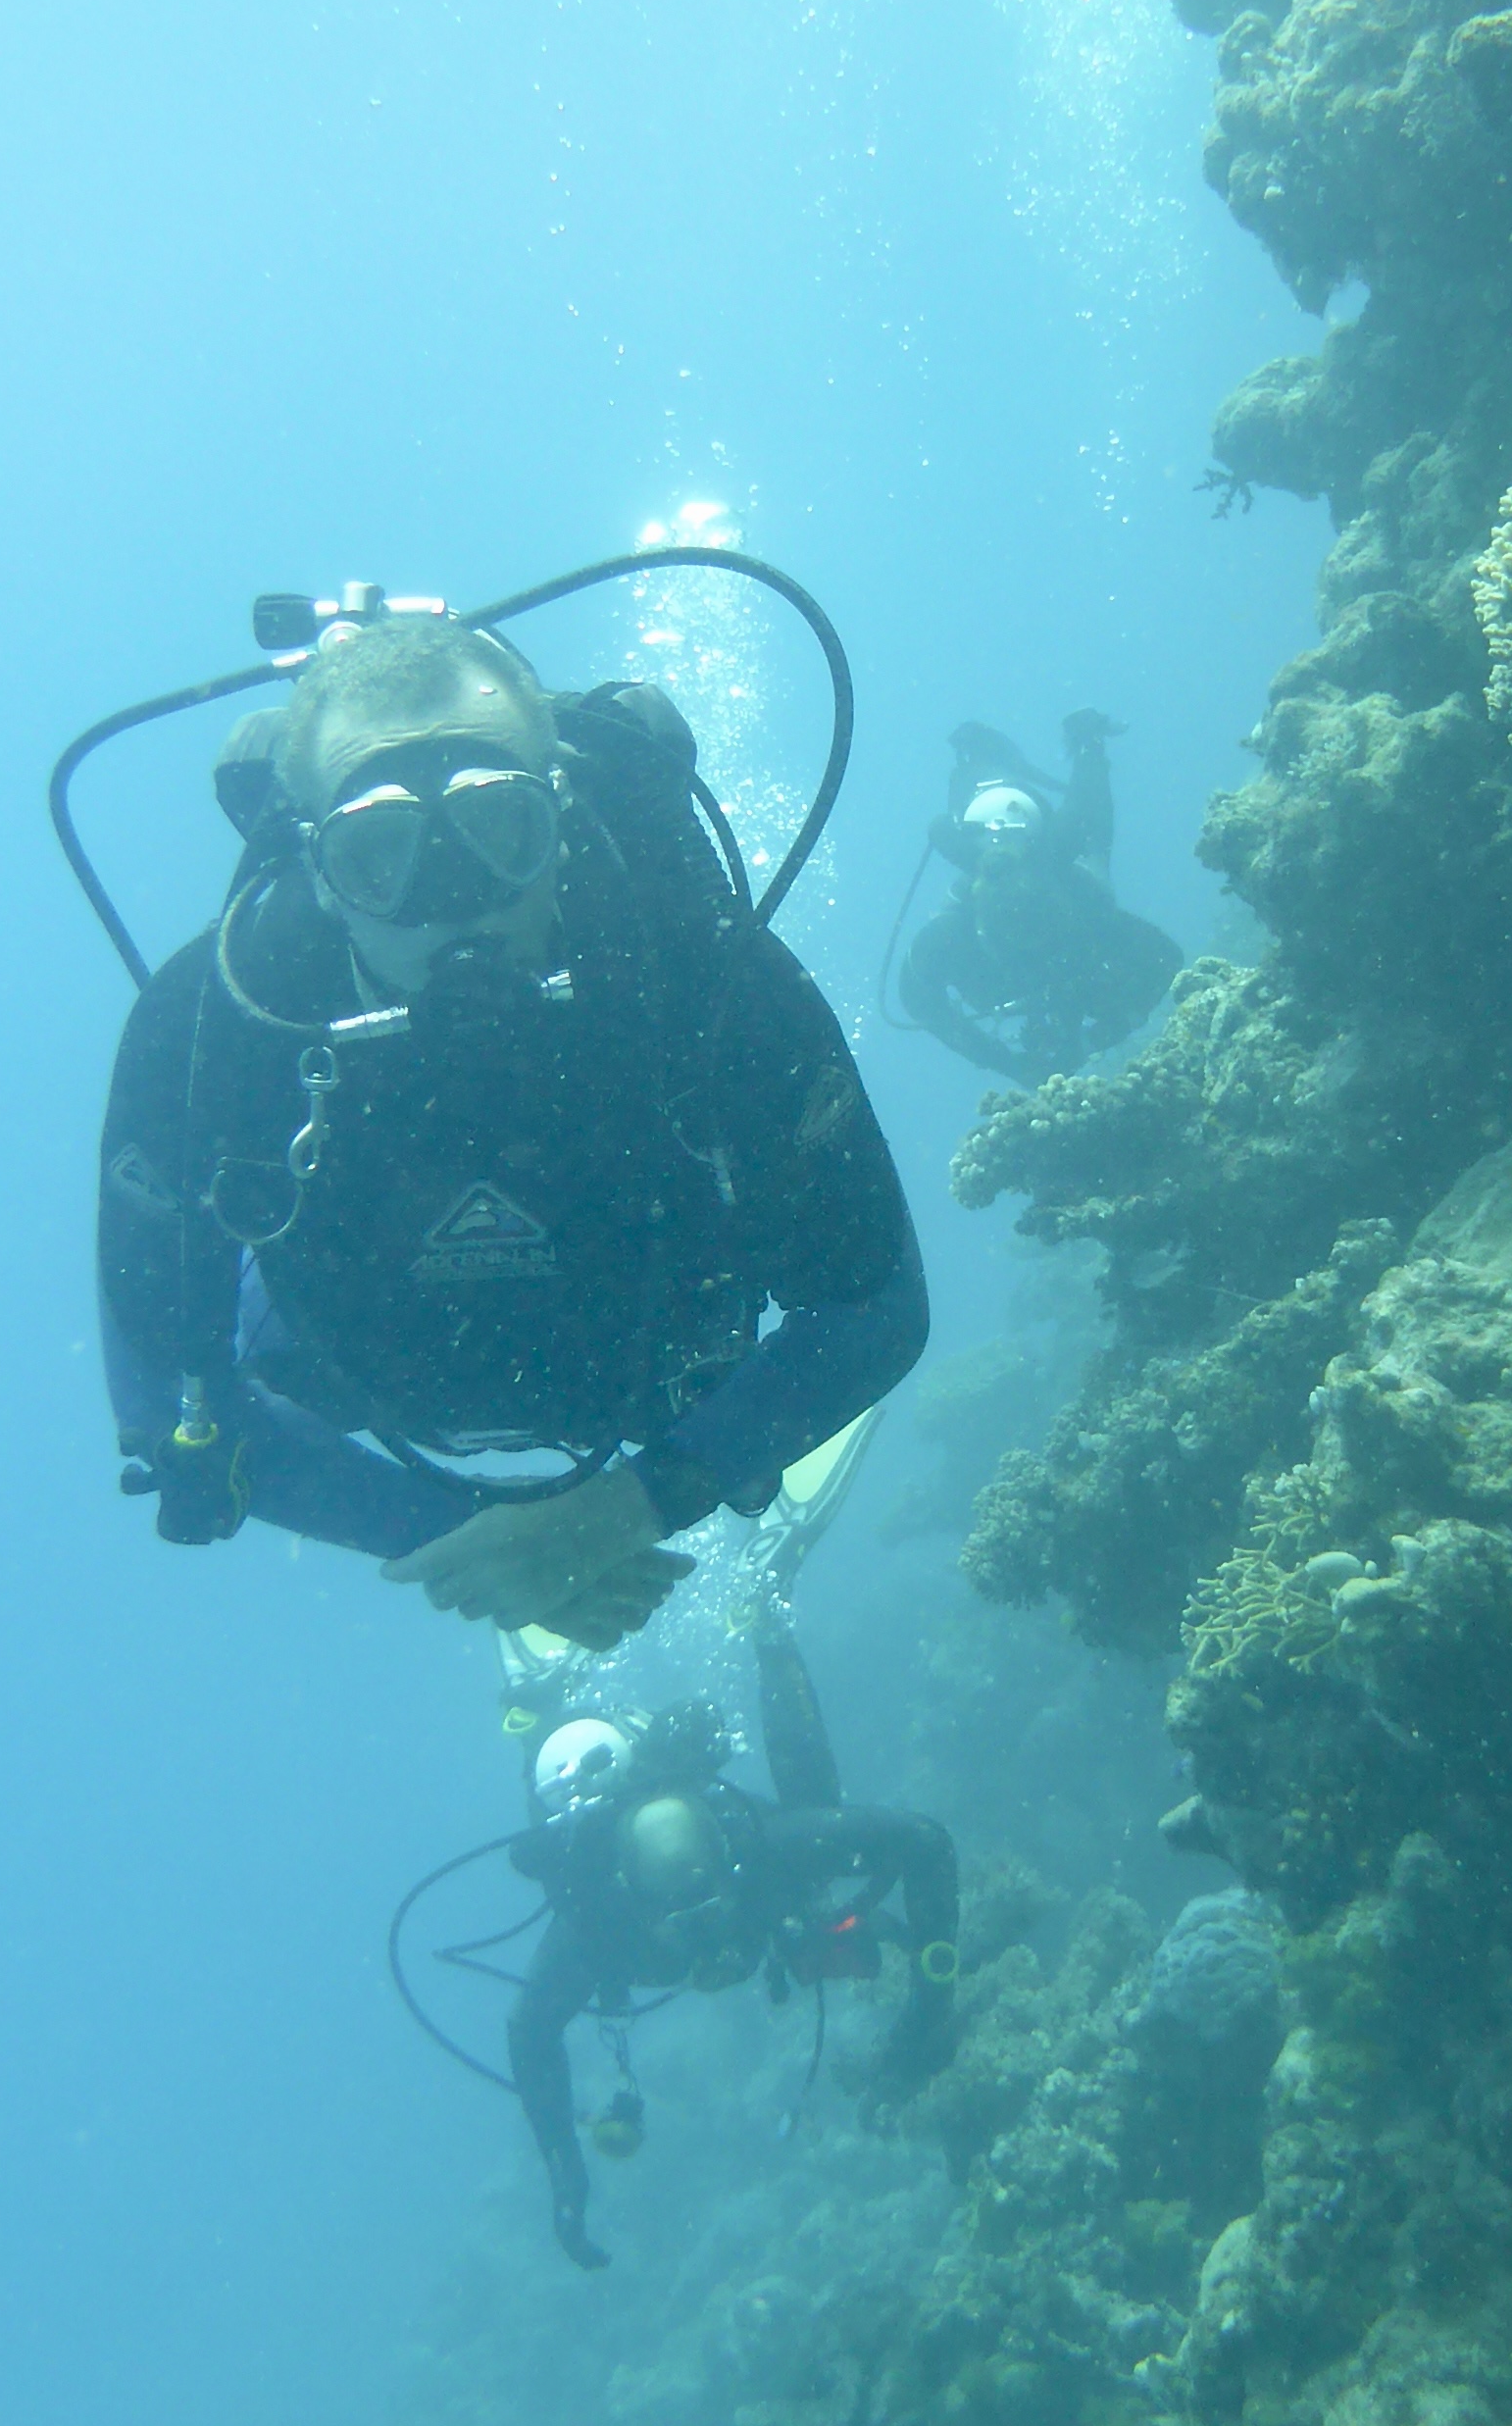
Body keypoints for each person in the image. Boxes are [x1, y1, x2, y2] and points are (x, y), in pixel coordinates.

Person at [94, 608, 926, 1651]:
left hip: (659, 1371)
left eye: (499, 829)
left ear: (562, 820)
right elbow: (167, 1397)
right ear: (318, 871)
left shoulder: (704, 973)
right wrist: (497, 1545)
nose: (451, 901)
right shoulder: (211, 1021)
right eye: (380, 852)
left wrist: (632, 1506)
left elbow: (876, 1304)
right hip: (354, 1363)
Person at [497, 1462, 959, 2267]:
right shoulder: (595, 1919)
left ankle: (763, 1611)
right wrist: (566, 2179)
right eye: (684, 1915)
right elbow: (528, 2033)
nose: (705, 1935)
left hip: (752, 1853)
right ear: (630, 1896)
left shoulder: (759, 1852)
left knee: (814, 1812)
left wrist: (931, 2003)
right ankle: (546, 1706)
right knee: (570, 1809)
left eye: (703, 1903)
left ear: (725, 1863)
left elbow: (926, 1841)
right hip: (608, 1823)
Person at [892, 709, 1179, 1086]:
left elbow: (1165, 961)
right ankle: (1016, 753)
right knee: (1087, 840)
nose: (1030, 949)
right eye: (1018, 936)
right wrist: (1004, 1062)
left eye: (1039, 931)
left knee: (1091, 841)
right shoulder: (949, 936)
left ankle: (1087, 744)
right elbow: (917, 999)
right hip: (1035, 875)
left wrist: (1095, 1039)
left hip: (1056, 869)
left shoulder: (1085, 900)